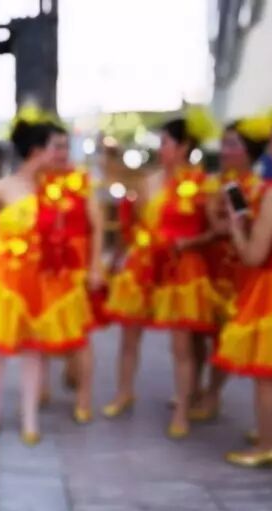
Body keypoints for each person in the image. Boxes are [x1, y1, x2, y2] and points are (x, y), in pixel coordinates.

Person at [0, 108, 93, 443]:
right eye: (53, 147)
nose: (58, 154)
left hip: (41, 275)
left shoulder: (54, 189)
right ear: (36, 151)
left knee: (34, 351)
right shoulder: (5, 186)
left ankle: (30, 419)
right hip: (5, 277)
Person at [103, 107, 219, 438]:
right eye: (162, 141)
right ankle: (124, 392)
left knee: (182, 344)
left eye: (167, 142)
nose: (162, 148)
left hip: (181, 268)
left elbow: (216, 230)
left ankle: (182, 410)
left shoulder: (202, 184)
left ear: (184, 147)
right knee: (129, 335)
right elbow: (134, 225)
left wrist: (190, 242)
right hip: (144, 264)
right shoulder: (149, 181)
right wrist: (119, 258)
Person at [212, 98, 272, 467]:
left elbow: (253, 256)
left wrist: (235, 227)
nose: (270, 146)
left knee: (269, 374)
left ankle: (266, 445)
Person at [191, 115, 272, 420]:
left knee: (221, 335)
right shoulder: (213, 182)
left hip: (233, 270)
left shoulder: (249, 187)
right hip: (204, 267)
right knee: (196, 331)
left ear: (249, 151)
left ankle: (212, 394)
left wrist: (214, 217)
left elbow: (232, 227)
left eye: (232, 145)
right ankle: (194, 387)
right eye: (223, 144)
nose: (225, 151)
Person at [37, 122, 106, 422]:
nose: (61, 152)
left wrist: (96, 265)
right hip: (45, 266)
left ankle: (83, 398)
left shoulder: (82, 180)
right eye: (56, 146)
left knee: (80, 336)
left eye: (65, 146)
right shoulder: (35, 181)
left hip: (76, 266)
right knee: (41, 329)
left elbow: (97, 226)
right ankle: (40, 388)